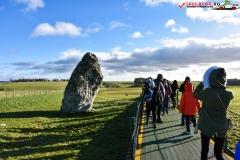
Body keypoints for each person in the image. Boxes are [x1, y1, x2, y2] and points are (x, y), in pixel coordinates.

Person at [193, 66, 234, 160]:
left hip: (207, 125)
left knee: (204, 151)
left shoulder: (208, 92)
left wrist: (202, 84)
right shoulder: (230, 94)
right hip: (221, 126)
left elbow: (195, 94)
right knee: (218, 153)